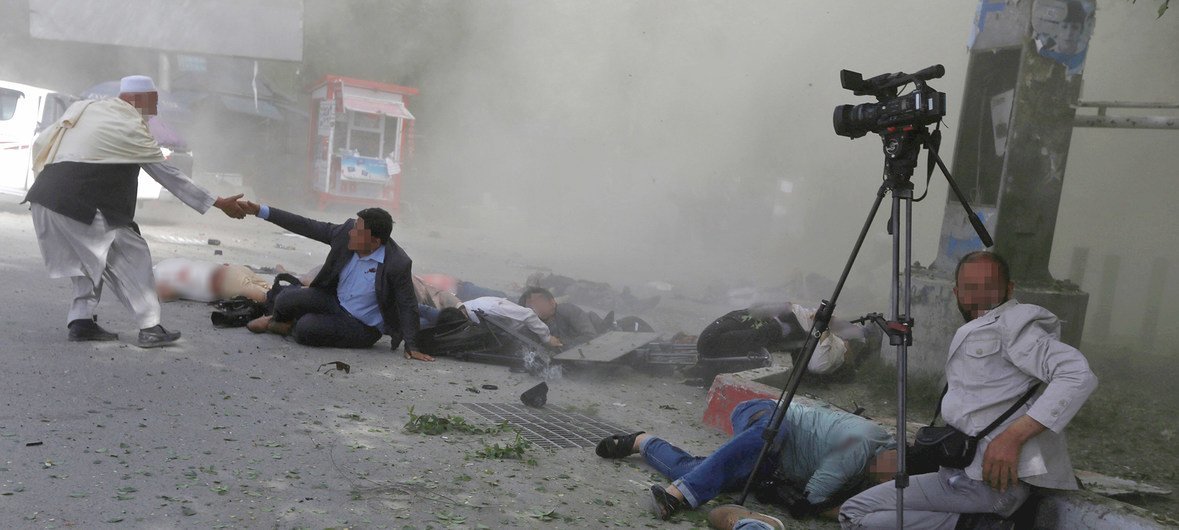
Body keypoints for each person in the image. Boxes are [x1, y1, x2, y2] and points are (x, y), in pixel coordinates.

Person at [839, 251, 1098, 529]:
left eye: (989, 287)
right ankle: (976, 525)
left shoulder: (1014, 324)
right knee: (857, 511)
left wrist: (1013, 437)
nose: (979, 297)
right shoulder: (979, 328)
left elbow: (1077, 373)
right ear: (956, 292)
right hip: (959, 475)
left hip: (990, 485)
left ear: (1009, 289)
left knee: (855, 516)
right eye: (970, 289)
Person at [23, 75, 246, 348]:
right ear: (136, 99)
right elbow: (169, 175)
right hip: (81, 202)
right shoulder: (128, 125)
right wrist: (219, 202)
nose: (153, 112)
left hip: (45, 198)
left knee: (89, 261)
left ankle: (81, 322)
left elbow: (43, 143)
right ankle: (150, 327)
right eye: (152, 104)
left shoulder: (90, 111)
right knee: (133, 257)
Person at [596, 398, 897, 521]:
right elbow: (810, 502)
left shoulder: (873, 470)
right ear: (897, 455)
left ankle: (641, 441)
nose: (893, 481)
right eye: (896, 474)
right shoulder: (863, 444)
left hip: (773, 463)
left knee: (697, 471)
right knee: (771, 434)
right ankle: (679, 495)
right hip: (765, 413)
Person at [238, 201, 432, 361]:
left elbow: (408, 304)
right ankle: (278, 319)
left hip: (362, 325)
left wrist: (412, 345)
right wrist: (261, 211)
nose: (351, 232)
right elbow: (306, 225)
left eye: (358, 231)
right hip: (334, 300)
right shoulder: (345, 233)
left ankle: (284, 326)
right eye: (355, 226)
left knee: (307, 329)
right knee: (285, 299)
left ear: (375, 242)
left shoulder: (397, 263)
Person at [698, 302, 872, 376]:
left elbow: (818, 364)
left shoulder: (834, 355)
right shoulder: (837, 345)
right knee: (711, 338)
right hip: (786, 320)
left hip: (785, 325)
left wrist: (823, 328)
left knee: (710, 340)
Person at [153, 257, 272, 303]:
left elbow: (167, 294)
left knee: (270, 301)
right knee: (275, 291)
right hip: (231, 270)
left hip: (224, 282)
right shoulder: (164, 264)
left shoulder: (158, 276)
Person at [460, 296, 562, 349]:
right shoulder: (466, 308)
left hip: (527, 323)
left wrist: (547, 338)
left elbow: (528, 314)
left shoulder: (489, 308)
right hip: (512, 324)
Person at [519, 286, 598, 346]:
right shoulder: (530, 327)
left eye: (539, 302)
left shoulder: (567, 311)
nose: (534, 308)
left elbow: (590, 336)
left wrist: (559, 343)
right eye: (530, 306)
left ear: (552, 302)